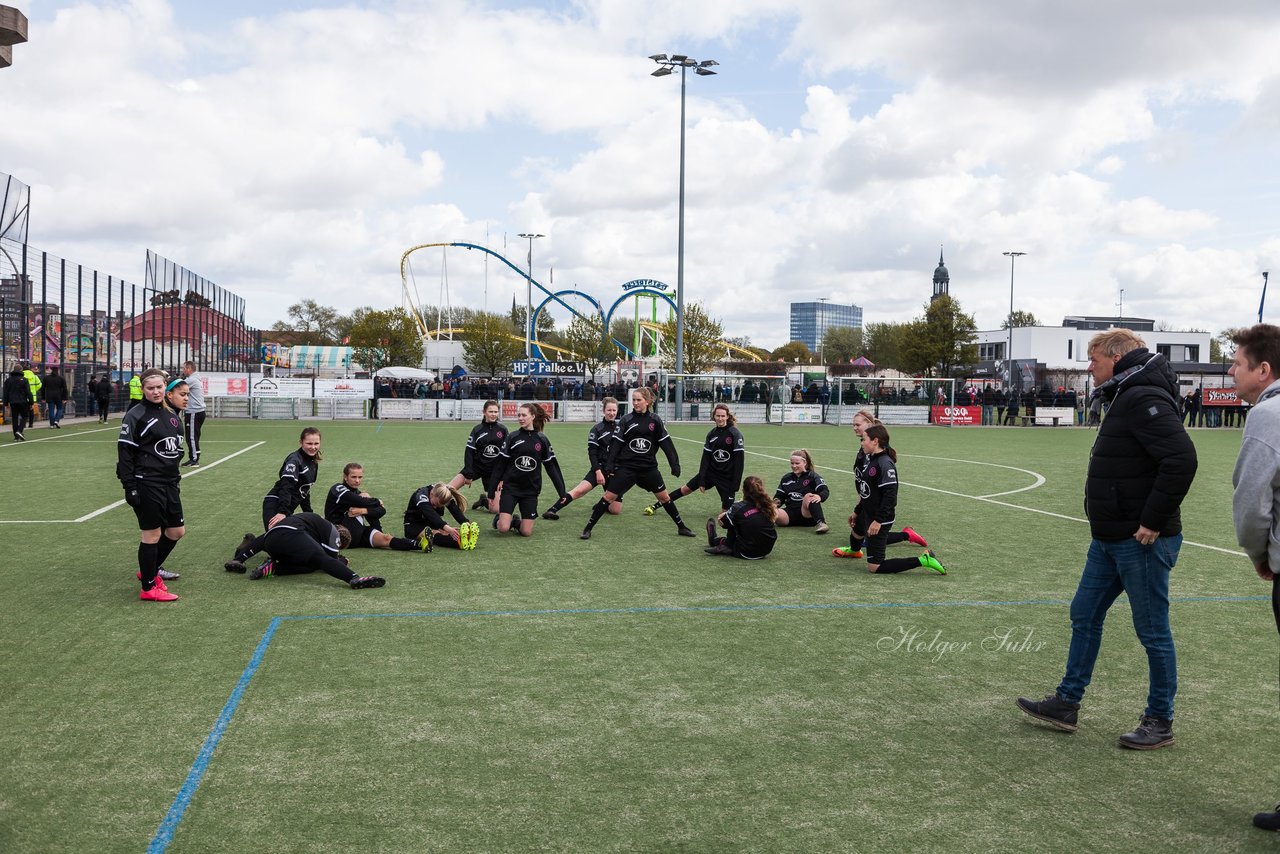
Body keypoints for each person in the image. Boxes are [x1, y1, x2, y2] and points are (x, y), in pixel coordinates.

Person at [1017, 328, 1197, 750]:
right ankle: (1067, 702)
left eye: (1093, 359)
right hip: (1110, 536)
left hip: (1141, 540)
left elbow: (1181, 459)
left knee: (1152, 632)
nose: (1089, 367)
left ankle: (1160, 720)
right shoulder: (1127, 392)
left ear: (1116, 358)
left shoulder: (1142, 396)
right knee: (1084, 613)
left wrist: (1152, 521)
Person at [1224, 325, 1280, 831]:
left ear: (1263, 370)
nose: (1231, 372)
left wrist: (1259, 555)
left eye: (1237, 363)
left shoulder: (1268, 414)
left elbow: (1250, 501)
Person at [580, 386, 693, 540]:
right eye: (633, 400)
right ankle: (588, 528)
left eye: (639, 400)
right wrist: (610, 464)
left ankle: (682, 527)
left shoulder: (655, 420)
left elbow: (666, 443)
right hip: (627, 468)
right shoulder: (626, 420)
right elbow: (616, 444)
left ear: (647, 401)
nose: (635, 403)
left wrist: (675, 463)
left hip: (648, 468)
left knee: (665, 498)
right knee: (608, 497)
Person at [833, 424, 945, 574]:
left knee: (875, 567)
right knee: (857, 531)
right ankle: (854, 551)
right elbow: (867, 491)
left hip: (880, 518)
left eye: (863, 439)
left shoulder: (884, 463)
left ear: (875, 441)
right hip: (868, 512)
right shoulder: (871, 459)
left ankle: (924, 560)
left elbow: (890, 497)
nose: (861, 443)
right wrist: (857, 511)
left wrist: (878, 521)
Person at [117, 370, 189, 601]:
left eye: (159, 387)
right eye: (151, 388)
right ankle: (148, 587)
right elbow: (125, 453)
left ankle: (148, 570)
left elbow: (174, 449)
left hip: (169, 482)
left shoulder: (171, 414)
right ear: (143, 389)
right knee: (152, 534)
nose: (156, 392)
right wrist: (130, 487)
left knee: (176, 531)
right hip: (146, 482)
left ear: (164, 387)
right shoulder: (135, 415)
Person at [224, 512, 385, 589]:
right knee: (319, 560)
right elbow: (328, 559)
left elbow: (265, 538)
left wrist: (241, 557)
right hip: (291, 535)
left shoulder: (311, 525)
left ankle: (271, 568)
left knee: (311, 563)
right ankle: (354, 579)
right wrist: (341, 560)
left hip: (273, 542)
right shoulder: (334, 531)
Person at [645, 402, 744, 517]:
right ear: (714, 417)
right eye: (718, 416)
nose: (720, 418)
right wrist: (702, 479)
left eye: (723, 416)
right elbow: (705, 459)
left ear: (727, 416)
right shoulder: (711, 435)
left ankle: (740, 504)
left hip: (727, 477)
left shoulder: (735, 434)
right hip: (711, 473)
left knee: (724, 515)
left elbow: (739, 461)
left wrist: (736, 483)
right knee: (685, 489)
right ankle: (655, 506)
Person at [489, 403, 566, 537]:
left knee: (526, 532)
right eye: (519, 415)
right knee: (503, 528)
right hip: (511, 488)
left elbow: (552, 467)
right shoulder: (513, 437)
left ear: (533, 416)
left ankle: (515, 521)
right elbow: (500, 465)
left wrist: (562, 492)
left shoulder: (542, 439)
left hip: (530, 490)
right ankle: (500, 520)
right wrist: (491, 491)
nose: (521, 418)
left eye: (524, 415)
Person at [542, 396, 622, 520]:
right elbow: (592, 453)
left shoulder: (621, 428)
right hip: (599, 469)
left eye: (614, 410)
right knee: (579, 491)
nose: (611, 413)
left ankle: (602, 504)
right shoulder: (597, 429)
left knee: (615, 510)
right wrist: (597, 471)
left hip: (614, 471)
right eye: (609, 410)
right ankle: (552, 510)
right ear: (603, 411)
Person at [324, 462, 427, 552]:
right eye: (353, 477)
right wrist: (376, 501)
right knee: (364, 500)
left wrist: (363, 511)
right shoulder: (338, 489)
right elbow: (359, 501)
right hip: (342, 536)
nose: (357, 481)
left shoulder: (359, 494)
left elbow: (381, 510)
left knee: (386, 538)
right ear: (345, 477)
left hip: (360, 535)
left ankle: (420, 545)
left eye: (360, 477)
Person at [447, 400, 508, 512]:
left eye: (496, 411)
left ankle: (484, 501)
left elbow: (507, 456)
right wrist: (469, 473)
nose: (493, 414)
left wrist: (502, 478)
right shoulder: (477, 430)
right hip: (476, 467)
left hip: (494, 472)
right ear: (484, 412)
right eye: (491, 411)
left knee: (495, 510)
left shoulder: (503, 430)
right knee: (447, 490)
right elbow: (469, 452)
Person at [704, 475, 778, 560]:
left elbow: (724, 524)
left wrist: (723, 515)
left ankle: (719, 543)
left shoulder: (738, 506)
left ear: (744, 490)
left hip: (746, 552)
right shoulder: (767, 505)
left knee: (733, 520)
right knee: (742, 521)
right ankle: (725, 545)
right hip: (766, 550)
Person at [263, 427, 322, 529]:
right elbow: (287, 486)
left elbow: (304, 491)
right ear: (301, 442)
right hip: (276, 503)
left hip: (286, 508)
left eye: (316, 443)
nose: (313, 447)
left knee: (284, 540)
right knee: (275, 540)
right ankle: (250, 542)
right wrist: (282, 511)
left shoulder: (313, 462)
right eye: (309, 443)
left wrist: (310, 514)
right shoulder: (294, 460)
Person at [404, 482, 480, 551]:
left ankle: (468, 538)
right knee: (435, 535)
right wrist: (447, 528)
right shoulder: (421, 495)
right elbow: (431, 514)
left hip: (432, 524)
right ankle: (460, 543)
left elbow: (455, 510)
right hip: (413, 526)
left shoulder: (443, 493)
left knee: (450, 532)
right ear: (431, 494)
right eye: (434, 504)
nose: (435, 507)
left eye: (438, 506)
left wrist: (465, 523)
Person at [773, 449, 831, 534]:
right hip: (789, 515)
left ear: (805, 463)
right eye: (792, 463)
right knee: (770, 509)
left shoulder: (813, 476)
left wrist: (819, 496)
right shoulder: (786, 478)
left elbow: (824, 491)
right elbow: (779, 496)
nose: (794, 466)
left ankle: (821, 523)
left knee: (809, 496)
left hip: (807, 515)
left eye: (797, 463)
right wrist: (773, 505)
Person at [180, 361, 206, 466]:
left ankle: (194, 459)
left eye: (184, 368)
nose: (183, 370)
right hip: (198, 411)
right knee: (194, 436)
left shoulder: (191, 380)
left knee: (191, 436)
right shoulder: (196, 379)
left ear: (189, 368)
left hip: (194, 411)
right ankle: (195, 456)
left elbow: (178, 387)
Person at [4, 366, 32, 441]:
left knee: (14, 418)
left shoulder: (8, 380)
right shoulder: (24, 380)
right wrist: (31, 402)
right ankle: (19, 431)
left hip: (12, 401)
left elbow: (5, 393)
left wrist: (6, 403)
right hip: (23, 401)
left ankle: (16, 436)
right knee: (25, 416)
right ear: (21, 370)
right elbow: (28, 392)